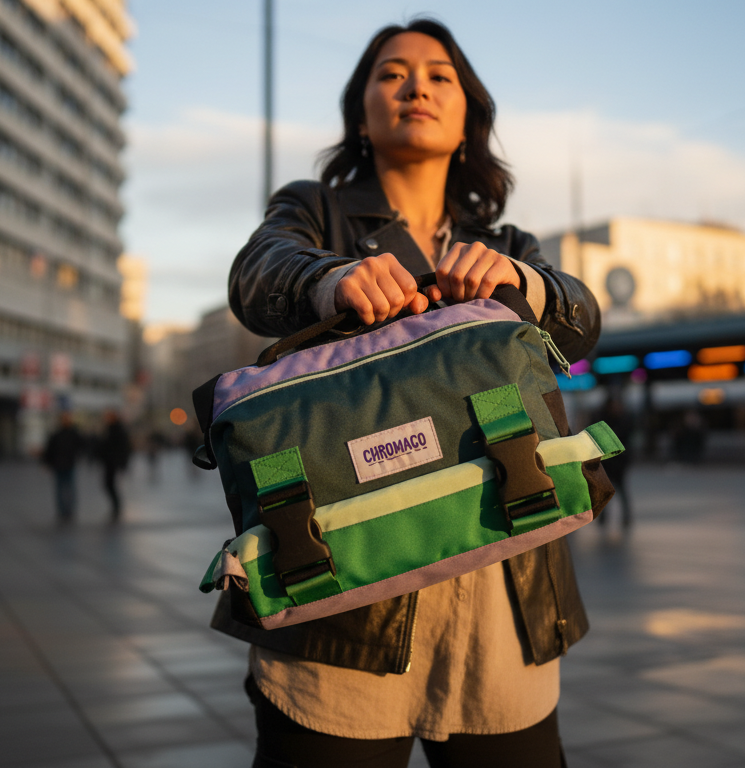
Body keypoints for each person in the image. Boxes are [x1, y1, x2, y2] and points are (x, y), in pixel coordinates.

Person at [226, 19, 600, 768]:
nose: (416, 85)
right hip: (343, 593)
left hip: (506, 591)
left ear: (469, 117)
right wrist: (329, 280)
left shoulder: (507, 243)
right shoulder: (316, 210)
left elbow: (581, 318)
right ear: (361, 115)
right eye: (390, 73)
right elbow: (257, 275)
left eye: (439, 74)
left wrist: (519, 281)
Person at [595, 391, 635, 532]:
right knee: (605, 492)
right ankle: (603, 517)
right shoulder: (604, 420)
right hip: (607, 463)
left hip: (619, 464)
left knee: (621, 492)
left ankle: (625, 518)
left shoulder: (624, 420)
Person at [42, 411, 84, 523]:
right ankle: (63, 510)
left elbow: (81, 445)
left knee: (68, 488)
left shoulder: (72, 433)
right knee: (61, 488)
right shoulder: (58, 434)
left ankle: (69, 510)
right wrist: (47, 462)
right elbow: (50, 450)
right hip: (60, 465)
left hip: (68, 464)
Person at [94, 409, 132, 521]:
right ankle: (116, 507)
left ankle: (117, 507)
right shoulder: (110, 429)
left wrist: (122, 463)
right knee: (108, 484)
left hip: (113, 462)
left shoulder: (117, 430)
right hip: (109, 462)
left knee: (109, 484)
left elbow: (122, 448)